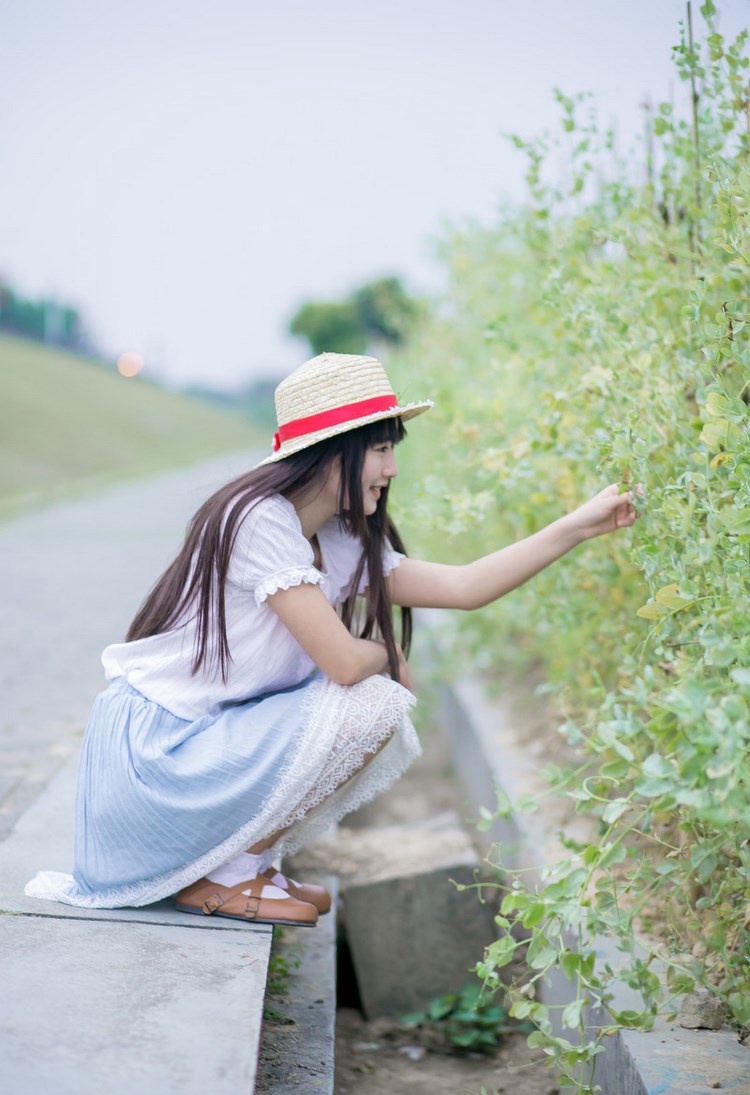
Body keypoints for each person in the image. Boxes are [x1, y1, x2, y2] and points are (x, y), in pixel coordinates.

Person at [25, 352, 637, 927]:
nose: (392, 469)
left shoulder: (337, 538)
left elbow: (466, 585)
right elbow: (345, 663)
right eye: (379, 450)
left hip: (198, 750)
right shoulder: (258, 521)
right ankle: (226, 876)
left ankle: (245, 866)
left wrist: (576, 528)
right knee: (374, 693)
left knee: (378, 693)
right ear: (329, 453)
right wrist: (388, 655)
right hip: (151, 765)